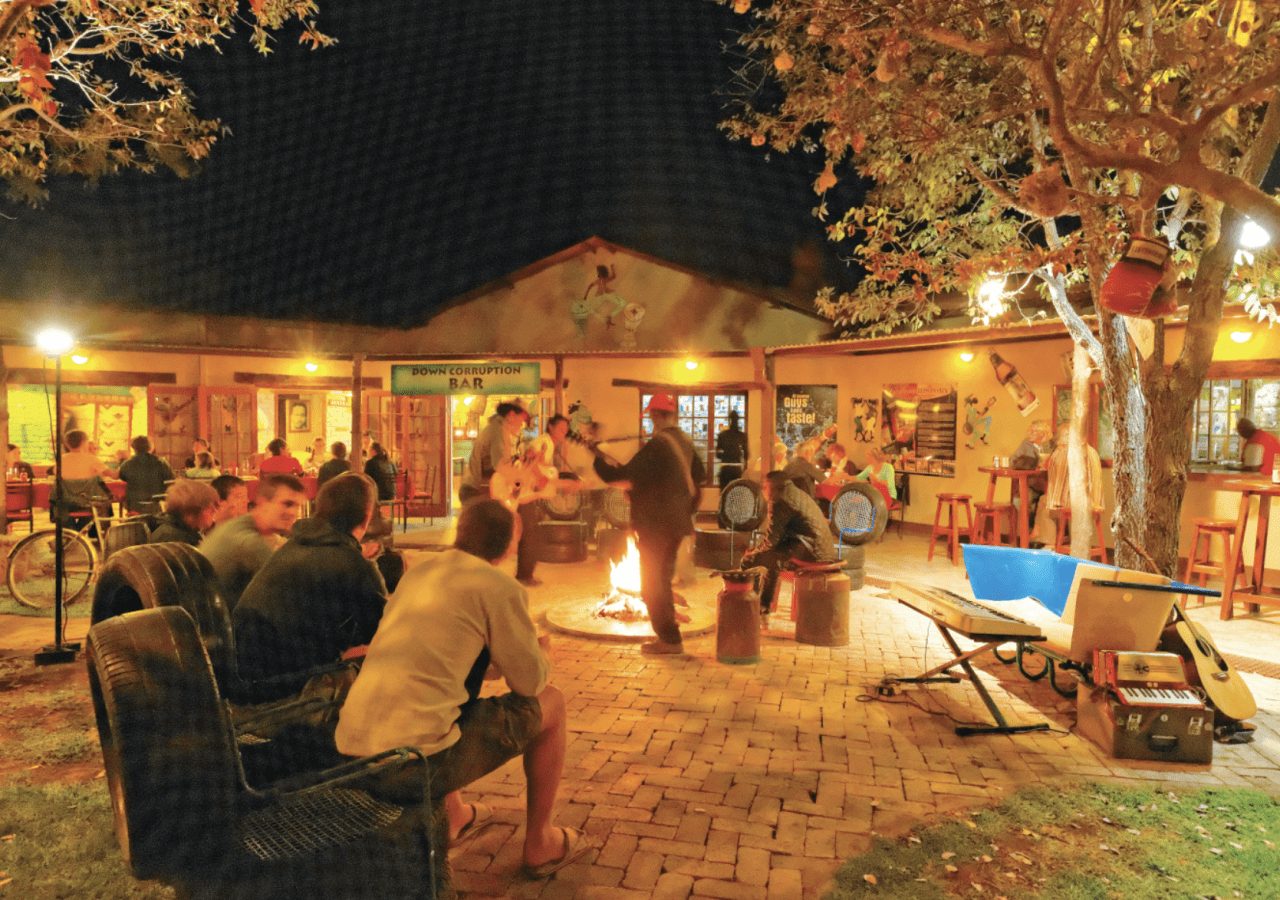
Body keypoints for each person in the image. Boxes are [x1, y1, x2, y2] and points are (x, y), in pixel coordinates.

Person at [336, 499, 590, 878]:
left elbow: (440, 659)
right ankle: (541, 842)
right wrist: (542, 653)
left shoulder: (421, 572)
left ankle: (456, 816)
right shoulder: (498, 586)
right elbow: (530, 682)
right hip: (411, 766)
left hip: (351, 751)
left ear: (460, 532)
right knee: (550, 703)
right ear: (508, 546)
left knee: (437, 703)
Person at [233, 474, 387, 700]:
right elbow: (386, 631)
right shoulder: (353, 564)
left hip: (245, 679)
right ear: (366, 517)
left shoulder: (293, 545)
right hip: (288, 692)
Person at [591, 393, 704, 655]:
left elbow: (620, 476)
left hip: (656, 525)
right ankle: (670, 635)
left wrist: (597, 458)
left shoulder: (657, 446)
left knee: (653, 583)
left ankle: (669, 639)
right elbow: (699, 477)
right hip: (677, 523)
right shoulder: (684, 443)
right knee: (662, 579)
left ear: (653, 416)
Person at [741, 471, 838, 625]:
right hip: (823, 549)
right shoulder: (797, 493)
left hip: (811, 552)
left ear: (770, 487)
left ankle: (750, 605)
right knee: (774, 558)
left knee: (751, 560)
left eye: (764, 487)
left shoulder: (779, 501)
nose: (763, 491)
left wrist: (752, 552)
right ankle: (763, 606)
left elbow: (771, 541)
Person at [199, 473, 306, 612]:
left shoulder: (240, 526)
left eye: (298, 506)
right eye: (287, 504)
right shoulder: (248, 542)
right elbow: (289, 592)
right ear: (262, 503)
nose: (293, 513)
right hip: (220, 627)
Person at [1045, 423, 1104, 543]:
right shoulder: (1092, 451)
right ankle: (1068, 540)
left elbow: (1055, 479)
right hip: (1095, 502)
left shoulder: (1065, 452)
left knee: (1043, 503)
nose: (1058, 441)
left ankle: (1050, 544)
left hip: (1075, 503)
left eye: (1060, 437)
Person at [459, 402, 527, 504]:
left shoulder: (500, 429)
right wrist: (522, 478)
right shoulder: (497, 431)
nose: (522, 424)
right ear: (511, 415)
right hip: (475, 491)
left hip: (476, 489)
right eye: (521, 419)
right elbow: (500, 466)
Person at [149, 479, 219, 546]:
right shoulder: (174, 540)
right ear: (194, 511)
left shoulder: (184, 530)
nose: (215, 511)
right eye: (211, 508)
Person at [1009, 419, 1052, 527]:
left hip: (1046, 485)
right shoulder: (1025, 444)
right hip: (1030, 484)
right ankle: (1027, 534)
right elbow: (1012, 461)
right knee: (1020, 501)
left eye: (1034, 431)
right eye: (1030, 430)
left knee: (1044, 503)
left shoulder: (1049, 446)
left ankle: (1036, 533)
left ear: (1043, 434)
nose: (1030, 433)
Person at [118, 435, 174, 514]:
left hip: (134, 505)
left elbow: (121, 478)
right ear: (150, 447)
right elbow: (171, 480)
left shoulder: (127, 464)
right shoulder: (161, 462)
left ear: (133, 448)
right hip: (156, 503)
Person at [715, 410, 748, 490]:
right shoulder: (742, 436)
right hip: (736, 468)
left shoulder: (722, 435)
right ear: (738, 420)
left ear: (729, 420)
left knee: (724, 493)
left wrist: (726, 455)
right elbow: (747, 455)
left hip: (725, 468)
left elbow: (718, 454)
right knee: (735, 493)